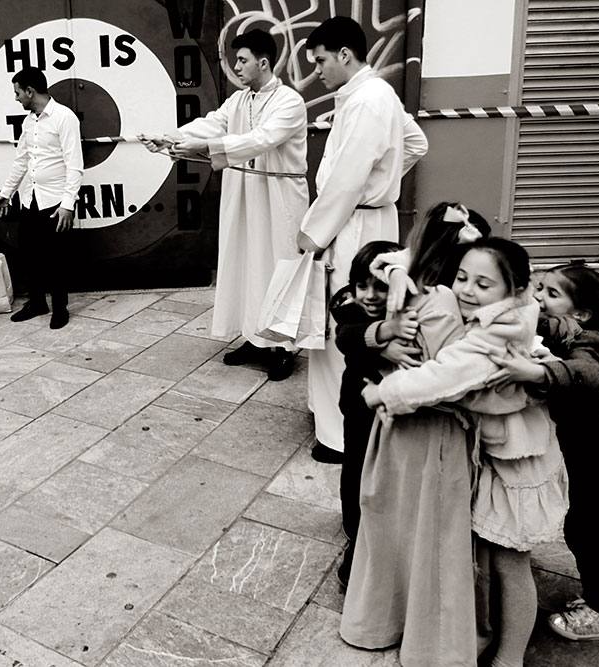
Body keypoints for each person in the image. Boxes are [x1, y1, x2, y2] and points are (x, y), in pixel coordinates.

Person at [362, 238, 569, 667]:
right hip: (499, 455)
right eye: (461, 278)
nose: (466, 290)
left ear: (514, 291)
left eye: (482, 284)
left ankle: (509, 657)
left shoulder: (495, 337)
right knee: (490, 556)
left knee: (511, 565)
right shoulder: (503, 312)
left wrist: (380, 392)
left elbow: (440, 378)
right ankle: (486, 632)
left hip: (518, 466)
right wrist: (400, 271)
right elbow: (398, 258)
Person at [338, 202, 488, 667]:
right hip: (422, 431)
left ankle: (377, 614)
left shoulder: (408, 293)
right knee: (425, 531)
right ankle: (429, 637)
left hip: (392, 427)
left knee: (386, 515)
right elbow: (452, 383)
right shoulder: (439, 307)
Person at [488, 263, 599, 641]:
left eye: (551, 294)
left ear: (582, 314)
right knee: (595, 520)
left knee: (582, 526)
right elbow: (545, 325)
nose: (539, 298)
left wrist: (538, 373)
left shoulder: (592, 343)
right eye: (539, 288)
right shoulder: (564, 327)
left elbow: (586, 372)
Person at [139, 29, 308, 381]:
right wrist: (170, 137)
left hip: (278, 199)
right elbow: (210, 123)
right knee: (246, 262)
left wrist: (206, 149)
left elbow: (262, 139)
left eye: (243, 60)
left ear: (263, 62)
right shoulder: (239, 100)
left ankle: (283, 347)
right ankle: (254, 337)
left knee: (279, 267)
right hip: (244, 192)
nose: (237, 67)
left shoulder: (288, 101)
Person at [298, 16, 429, 461]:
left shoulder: (368, 100)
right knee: (345, 315)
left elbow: (347, 181)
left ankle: (338, 434)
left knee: (344, 318)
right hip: (369, 218)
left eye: (320, 61)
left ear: (345, 55)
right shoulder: (375, 94)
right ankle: (326, 412)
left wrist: (312, 234)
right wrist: (386, 182)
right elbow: (416, 145)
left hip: (353, 223)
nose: (317, 70)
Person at [329, 239, 420, 589]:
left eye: (380, 287)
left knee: (392, 479)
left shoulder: (413, 309)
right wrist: (387, 337)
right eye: (362, 285)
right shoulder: (349, 310)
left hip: (401, 416)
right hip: (361, 411)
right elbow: (348, 339)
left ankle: (390, 537)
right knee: (355, 474)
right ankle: (356, 537)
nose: (368, 295)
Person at [0, 67, 83, 330]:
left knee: (57, 259)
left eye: (18, 92)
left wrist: (68, 204)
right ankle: (36, 303)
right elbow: (22, 161)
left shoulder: (65, 118)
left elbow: (74, 165)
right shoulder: (29, 121)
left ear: (30, 91)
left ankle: (60, 309)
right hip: (30, 199)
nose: (17, 98)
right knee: (30, 253)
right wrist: (6, 193)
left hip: (55, 202)